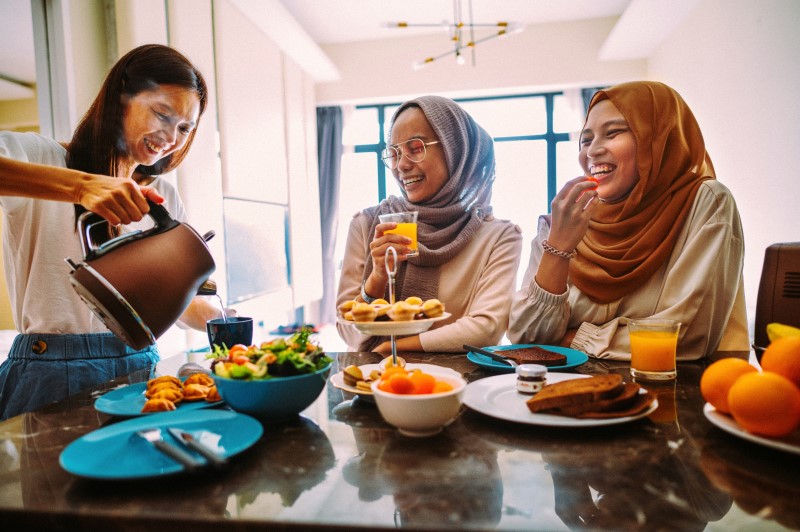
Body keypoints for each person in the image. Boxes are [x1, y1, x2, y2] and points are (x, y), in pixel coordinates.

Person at [0, 44, 227, 420]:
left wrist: (224, 322)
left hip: (140, 371)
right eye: (162, 114)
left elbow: (170, 300)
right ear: (121, 99)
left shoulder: (163, 198)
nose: (171, 136)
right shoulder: (42, 157)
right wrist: (81, 187)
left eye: (185, 127)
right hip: (49, 376)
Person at [508, 81, 749, 360]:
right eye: (586, 140)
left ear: (658, 138)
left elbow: (685, 336)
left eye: (613, 133)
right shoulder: (565, 220)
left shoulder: (704, 202)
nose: (592, 151)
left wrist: (577, 338)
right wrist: (558, 248)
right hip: (564, 393)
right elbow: (527, 340)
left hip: (670, 396)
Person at [336, 95, 522, 353]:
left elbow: (486, 328)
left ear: (455, 150)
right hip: (375, 383)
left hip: (457, 385)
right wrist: (377, 279)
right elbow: (347, 331)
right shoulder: (368, 225)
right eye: (394, 153)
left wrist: (398, 348)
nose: (401, 165)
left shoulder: (499, 237)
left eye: (415, 148)